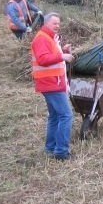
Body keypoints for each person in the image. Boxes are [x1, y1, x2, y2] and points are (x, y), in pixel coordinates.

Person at [31, 12, 74, 160]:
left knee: (55, 116)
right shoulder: (41, 38)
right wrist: (62, 56)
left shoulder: (49, 38)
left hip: (52, 82)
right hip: (51, 83)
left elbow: (51, 55)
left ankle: (50, 148)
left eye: (58, 24)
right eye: (54, 23)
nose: (57, 26)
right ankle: (61, 151)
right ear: (46, 23)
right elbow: (42, 59)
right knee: (66, 115)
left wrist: (63, 50)